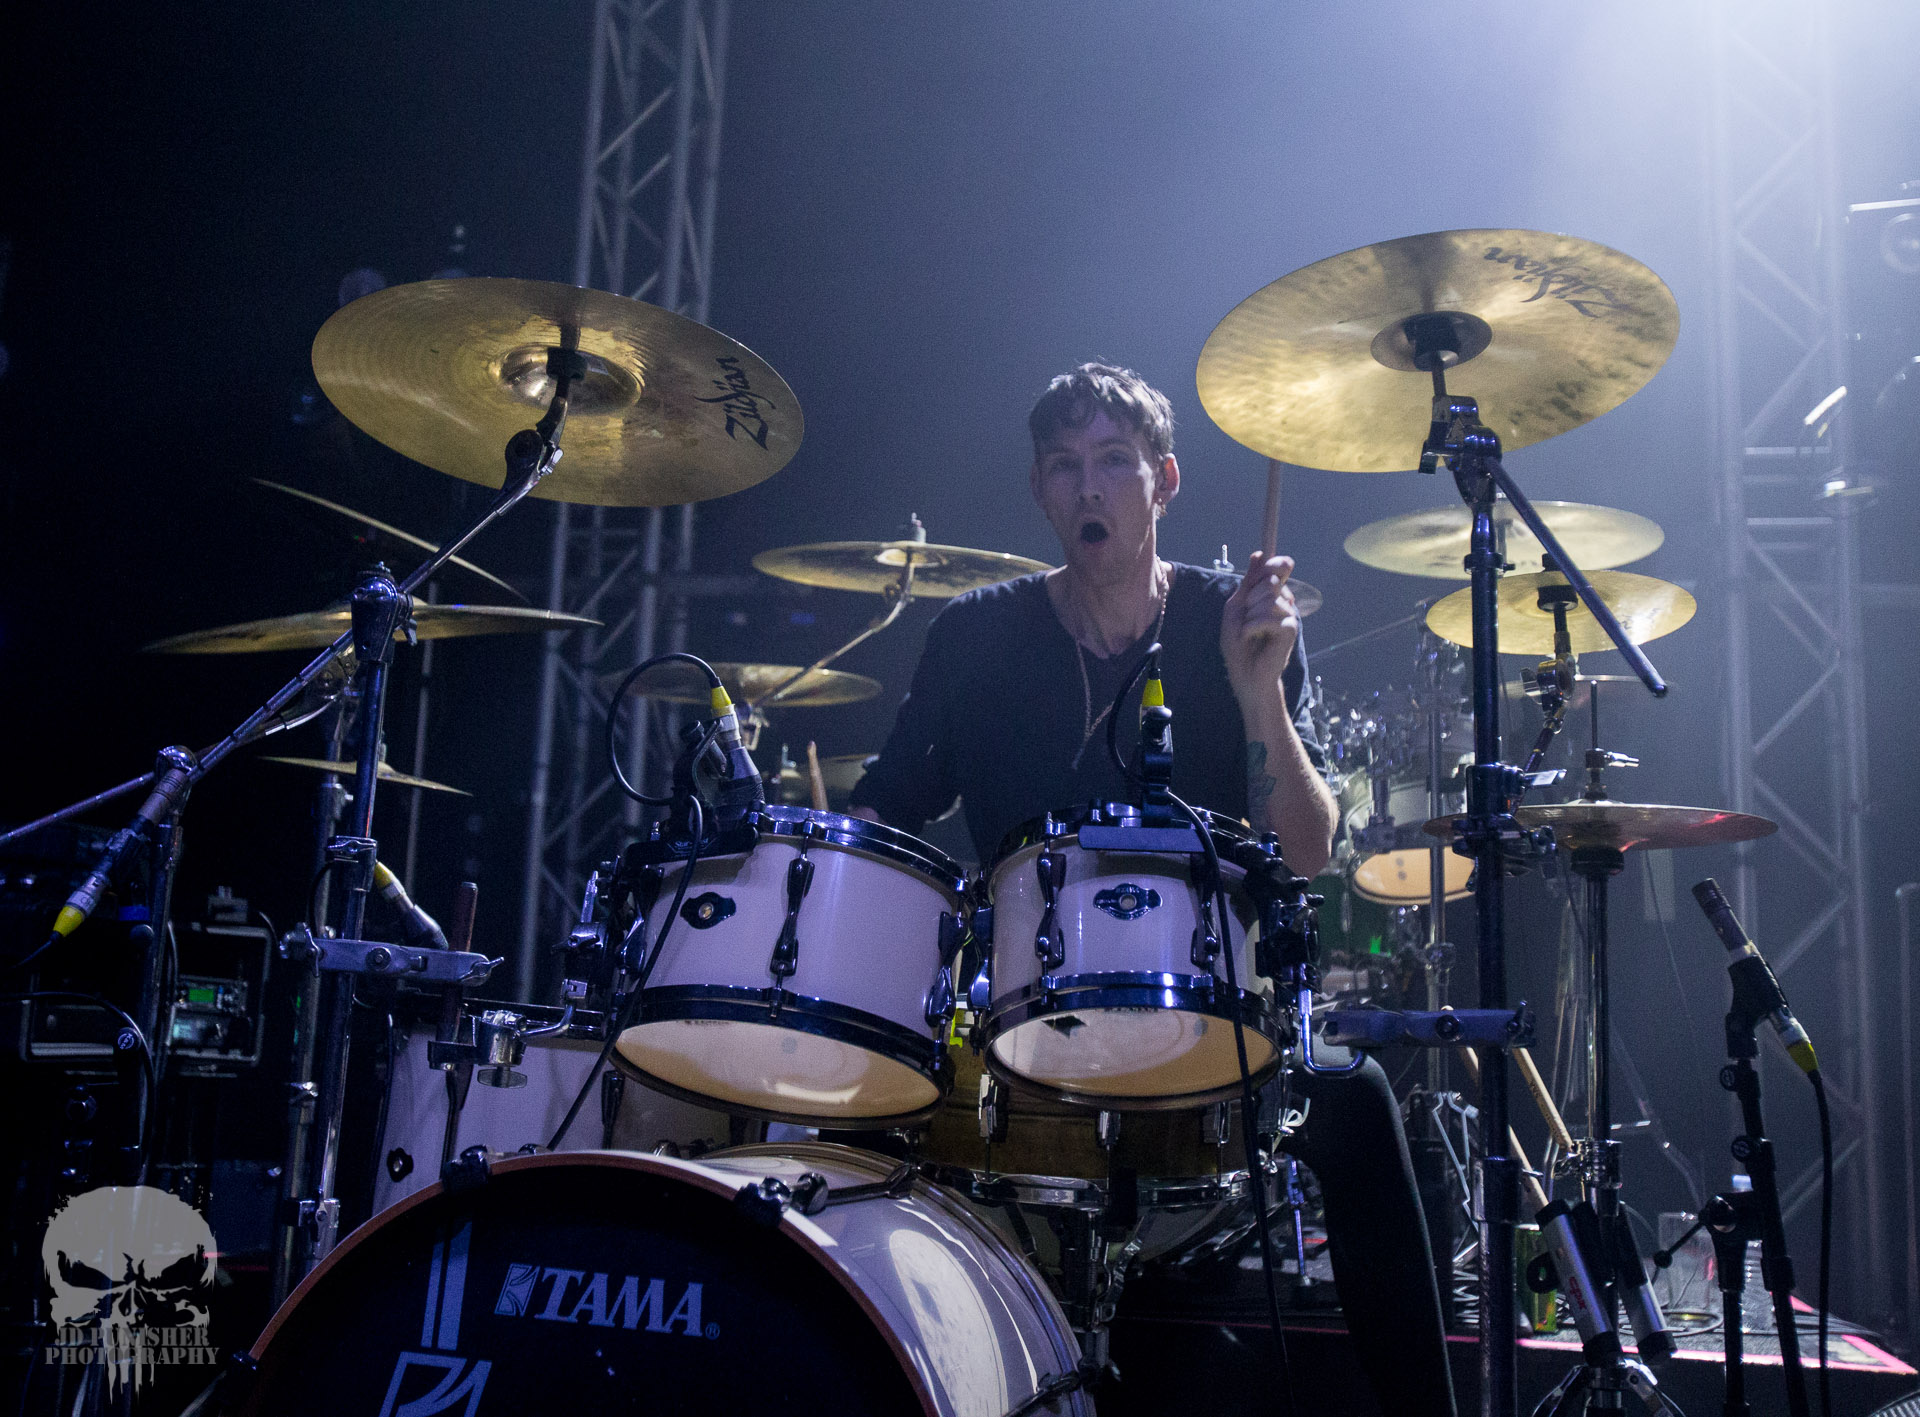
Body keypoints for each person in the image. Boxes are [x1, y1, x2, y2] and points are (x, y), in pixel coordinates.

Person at [849, 363, 1457, 1417]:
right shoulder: (976, 634)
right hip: (1015, 1031)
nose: (1090, 487)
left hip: (1209, 1033)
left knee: (1356, 1106)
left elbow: (1307, 849)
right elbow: (882, 817)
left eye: (1115, 462)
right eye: (1065, 466)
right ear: (1039, 491)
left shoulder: (1232, 617)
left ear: (1164, 480)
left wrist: (1260, 692)